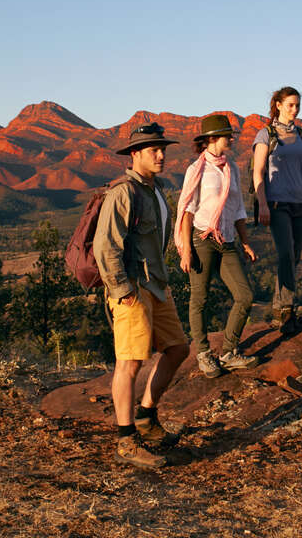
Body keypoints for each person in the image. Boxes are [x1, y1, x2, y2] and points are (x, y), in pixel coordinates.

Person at [94, 123, 189, 470]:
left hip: (156, 285)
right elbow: (106, 246)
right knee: (130, 363)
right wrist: (124, 292)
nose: (161, 155)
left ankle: (146, 417)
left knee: (178, 348)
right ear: (135, 155)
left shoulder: (155, 190)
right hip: (133, 288)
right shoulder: (124, 193)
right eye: (153, 150)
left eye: (162, 148)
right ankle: (126, 440)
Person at [175, 114, 259, 378]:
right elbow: (188, 209)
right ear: (212, 139)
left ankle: (229, 352)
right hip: (202, 240)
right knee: (200, 299)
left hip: (227, 241)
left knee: (245, 296)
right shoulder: (196, 169)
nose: (231, 139)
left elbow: (238, 209)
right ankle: (202, 354)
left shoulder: (231, 168)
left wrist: (245, 242)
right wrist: (186, 249)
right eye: (227, 136)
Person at [252, 86, 302, 332]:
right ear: (279, 105)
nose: (295, 110)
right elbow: (258, 171)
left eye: (297, 105)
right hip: (276, 203)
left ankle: (279, 309)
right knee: (285, 253)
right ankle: (287, 310)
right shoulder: (266, 134)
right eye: (291, 105)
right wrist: (262, 203)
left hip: (301, 203)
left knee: (294, 257)